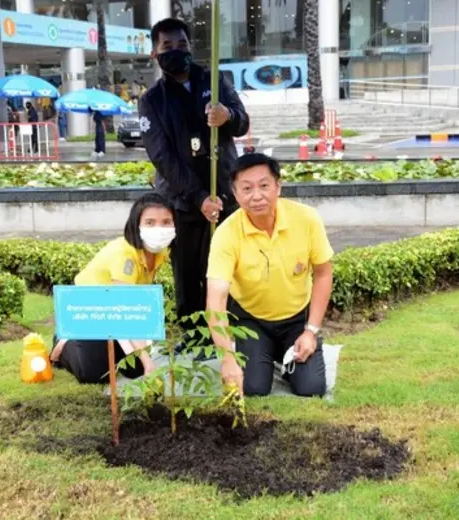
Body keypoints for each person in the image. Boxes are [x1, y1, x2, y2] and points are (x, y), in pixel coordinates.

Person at [139, 17, 250, 344]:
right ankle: (194, 337)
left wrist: (227, 117)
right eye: (167, 46)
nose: (176, 51)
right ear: (154, 53)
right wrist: (199, 197)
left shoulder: (214, 81)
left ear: (191, 46)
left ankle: (229, 332)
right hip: (183, 202)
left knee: (225, 267)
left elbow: (242, 123)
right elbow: (162, 157)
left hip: (224, 195)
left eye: (182, 45)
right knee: (187, 273)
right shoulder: (152, 100)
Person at [206, 153, 335, 398]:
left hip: (297, 316)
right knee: (254, 387)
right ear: (235, 194)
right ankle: (264, 354)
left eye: (264, 186)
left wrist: (311, 331)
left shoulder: (306, 219)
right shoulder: (226, 234)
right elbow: (216, 299)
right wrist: (227, 358)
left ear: (278, 186)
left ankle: (294, 349)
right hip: (251, 319)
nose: (256, 196)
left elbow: (323, 273)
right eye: (246, 188)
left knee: (311, 388)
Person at [50, 192, 176, 383]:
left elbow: (132, 306)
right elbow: (123, 311)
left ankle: (107, 347)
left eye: (166, 222)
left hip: (116, 309)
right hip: (89, 310)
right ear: (136, 224)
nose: (159, 229)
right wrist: (147, 359)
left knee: (136, 369)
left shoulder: (160, 250)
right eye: (150, 222)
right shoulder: (124, 255)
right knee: (94, 374)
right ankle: (62, 341)